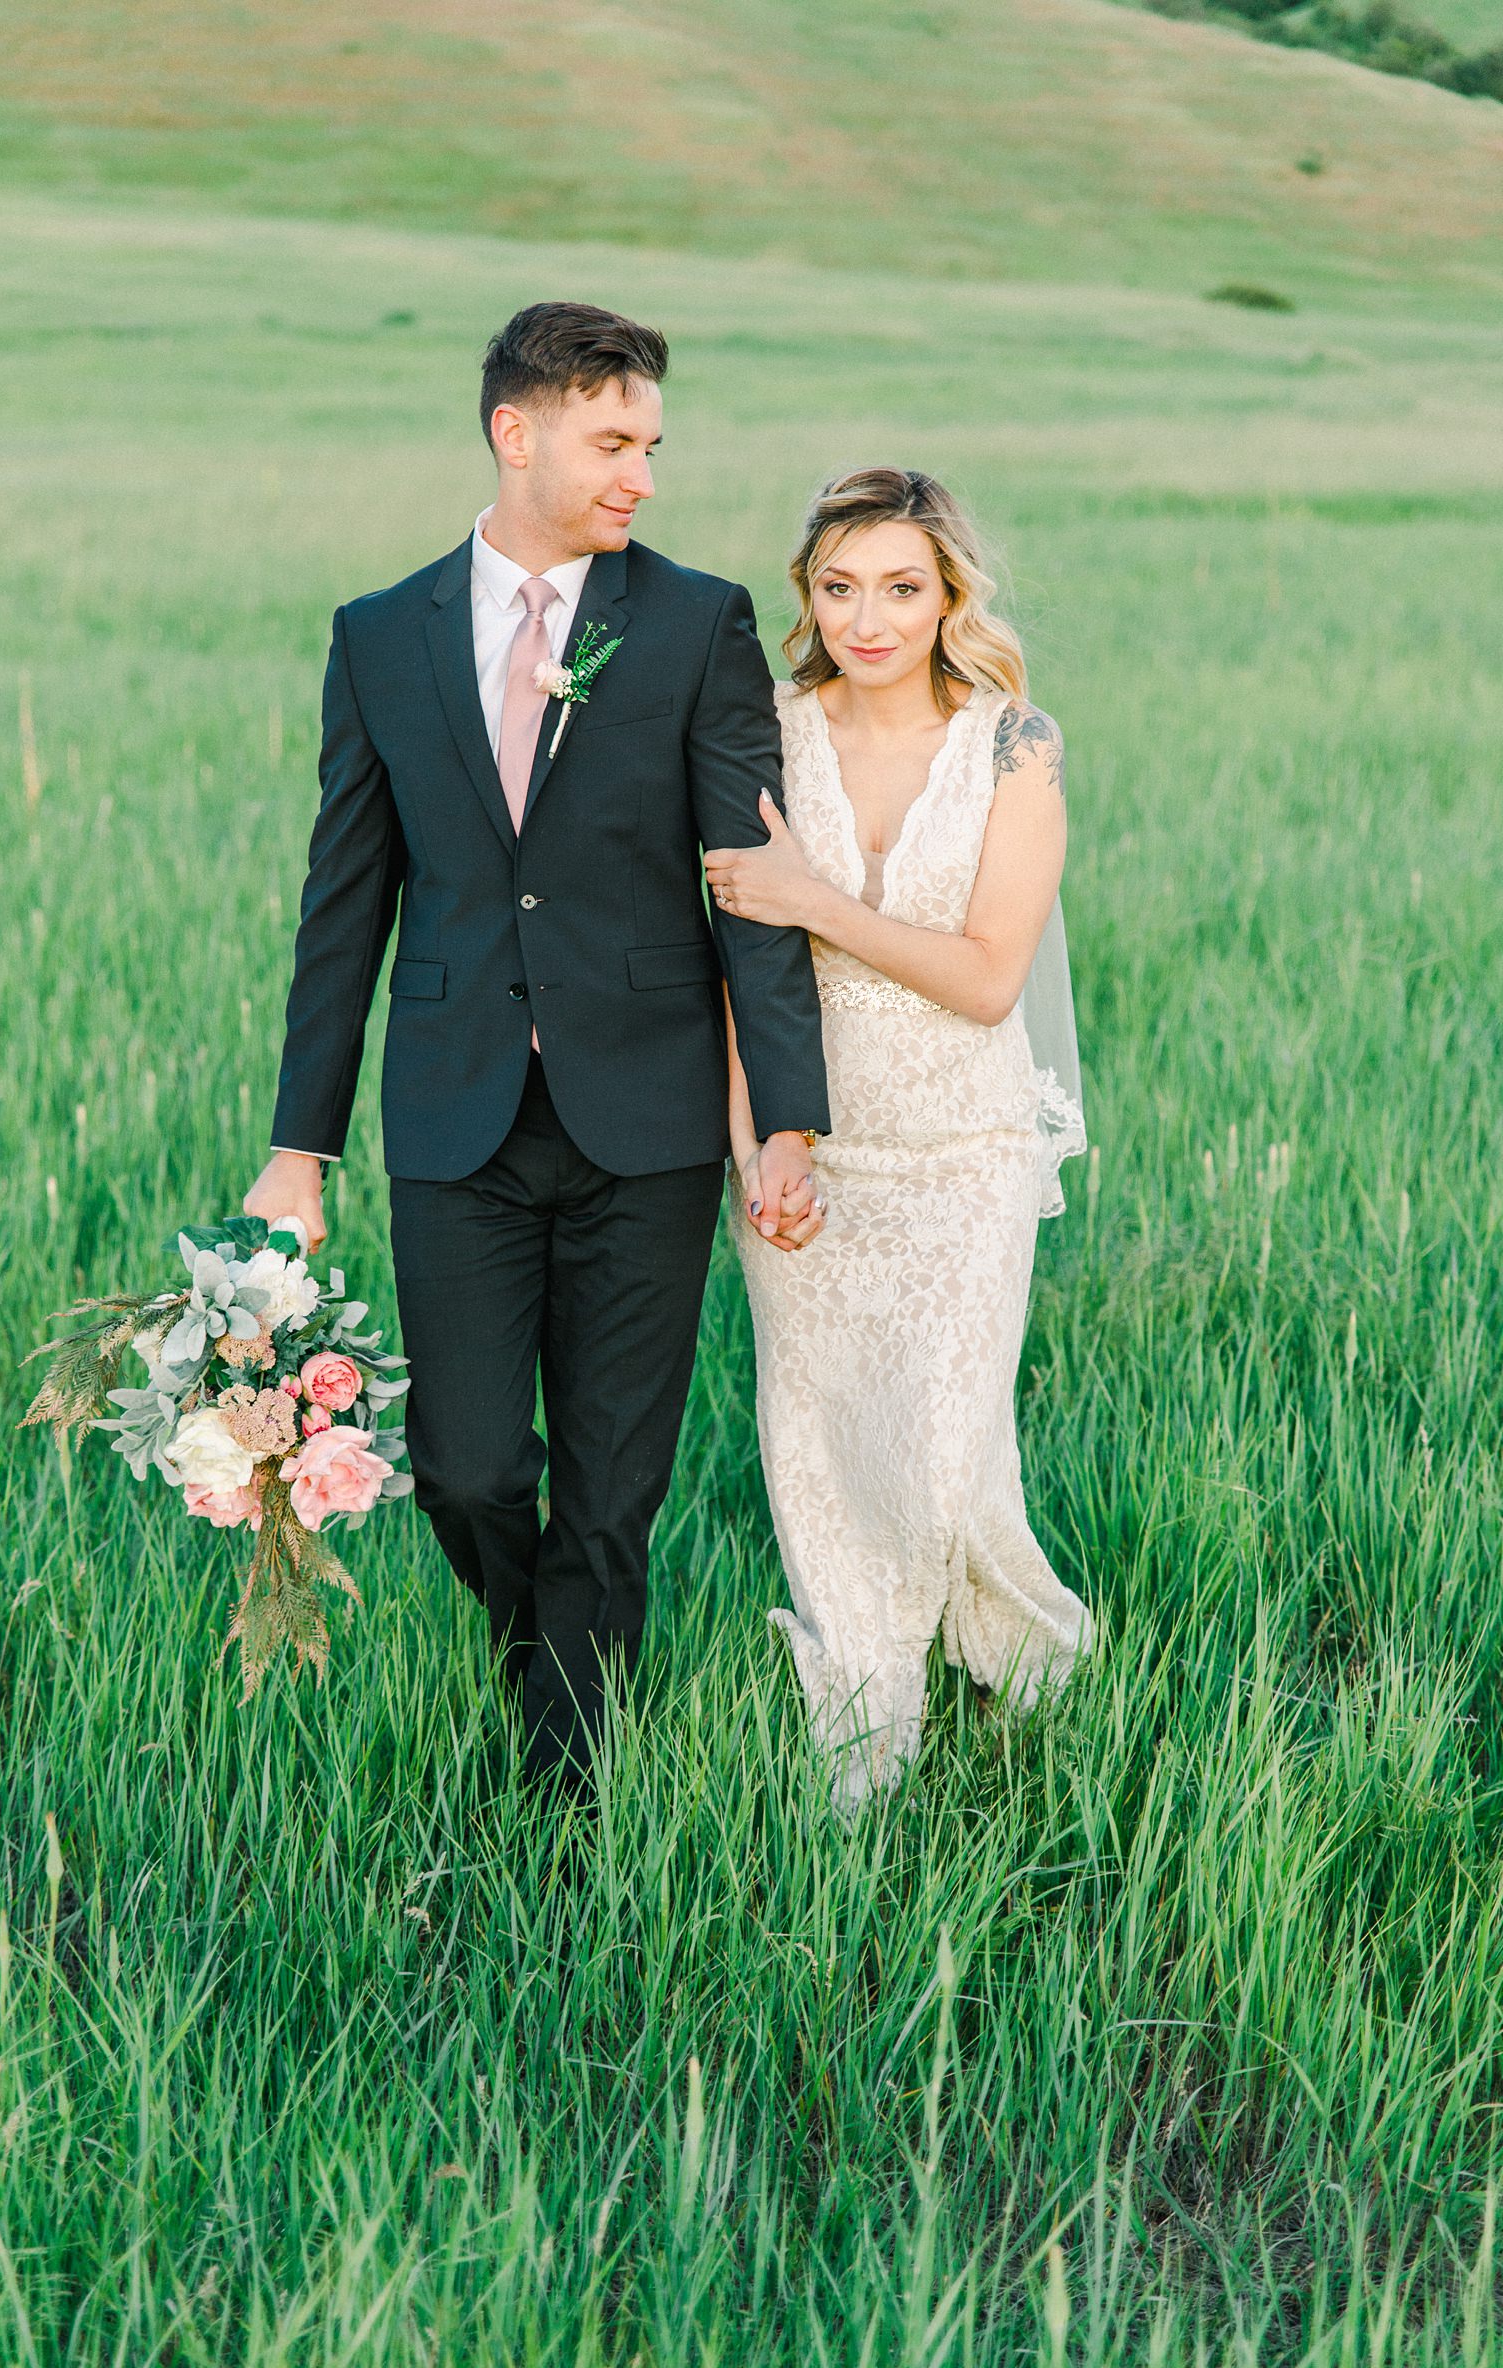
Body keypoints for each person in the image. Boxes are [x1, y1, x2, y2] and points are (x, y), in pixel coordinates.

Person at [244, 302, 830, 1787]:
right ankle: (551, 1658)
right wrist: (294, 1152)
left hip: (649, 1121)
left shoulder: (696, 623)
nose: (642, 473)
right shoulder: (380, 637)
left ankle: (568, 1807)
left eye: (652, 444)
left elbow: (751, 896)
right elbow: (345, 905)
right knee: (470, 1468)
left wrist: (788, 1122)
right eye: (613, 440)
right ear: (519, 432)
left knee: (612, 1496)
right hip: (453, 1118)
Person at [703, 467, 1093, 1813]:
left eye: (903, 588)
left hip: (966, 1145)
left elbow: (990, 977)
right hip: (810, 1147)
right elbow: (740, 970)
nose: (870, 617)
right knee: (817, 1437)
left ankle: (1022, 1640)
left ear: (950, 596)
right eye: (840, 586)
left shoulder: (1015, 745)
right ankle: (868, 1718)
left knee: (940, 1447)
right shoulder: (758, 733)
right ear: (807, 595)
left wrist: (815, 897)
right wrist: (766, 1145)